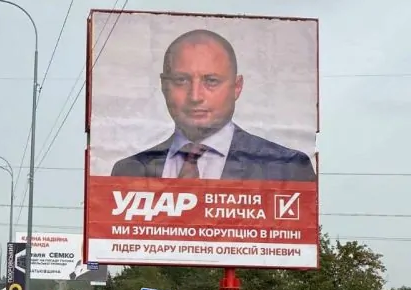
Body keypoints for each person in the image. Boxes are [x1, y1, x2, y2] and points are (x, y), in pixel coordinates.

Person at [111, 29, 316, 181]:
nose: (195, 96)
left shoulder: (289, 169)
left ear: (237, 87)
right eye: (181, 80)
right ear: (164, 86)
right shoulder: (128, 171)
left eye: (211, 81)